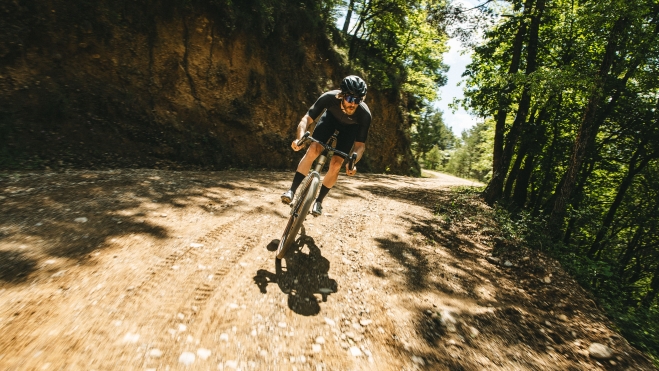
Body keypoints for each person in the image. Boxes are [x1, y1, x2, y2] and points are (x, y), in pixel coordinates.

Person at [281, 75, 371, 216]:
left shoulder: (364, 114)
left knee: (336, 164)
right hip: (329, 121)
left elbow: (360, 146)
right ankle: (292, 190)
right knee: (313, 149)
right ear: (342, 95)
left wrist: (353, 162)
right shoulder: (329, 98)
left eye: (358, 100)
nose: (353, 104)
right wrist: (299, 139)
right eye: (350, 99)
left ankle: (319, 201)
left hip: (349, 130)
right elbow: (306, 119)